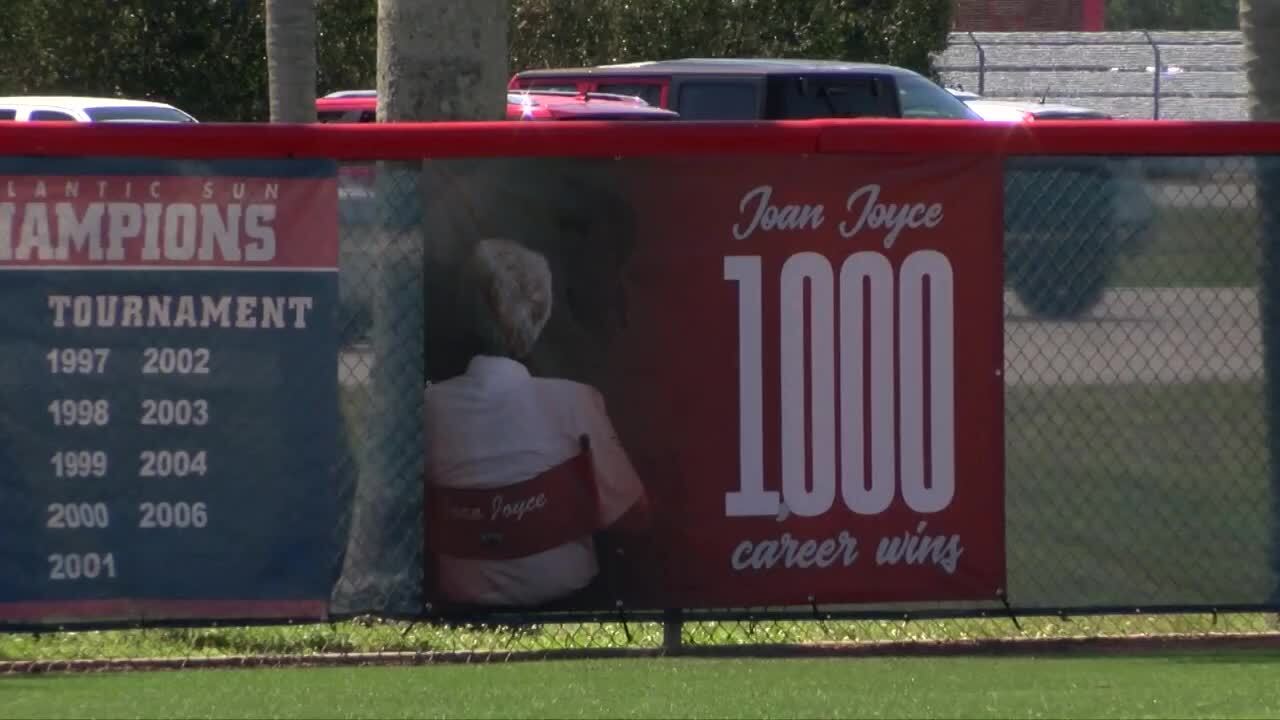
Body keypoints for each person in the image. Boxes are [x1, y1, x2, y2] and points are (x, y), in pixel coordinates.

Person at [422, 237, 649, 609]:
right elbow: (635, 515)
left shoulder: (428, 409)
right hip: (572, 602)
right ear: (540, 315)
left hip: (460, 605)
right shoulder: (575, 402)